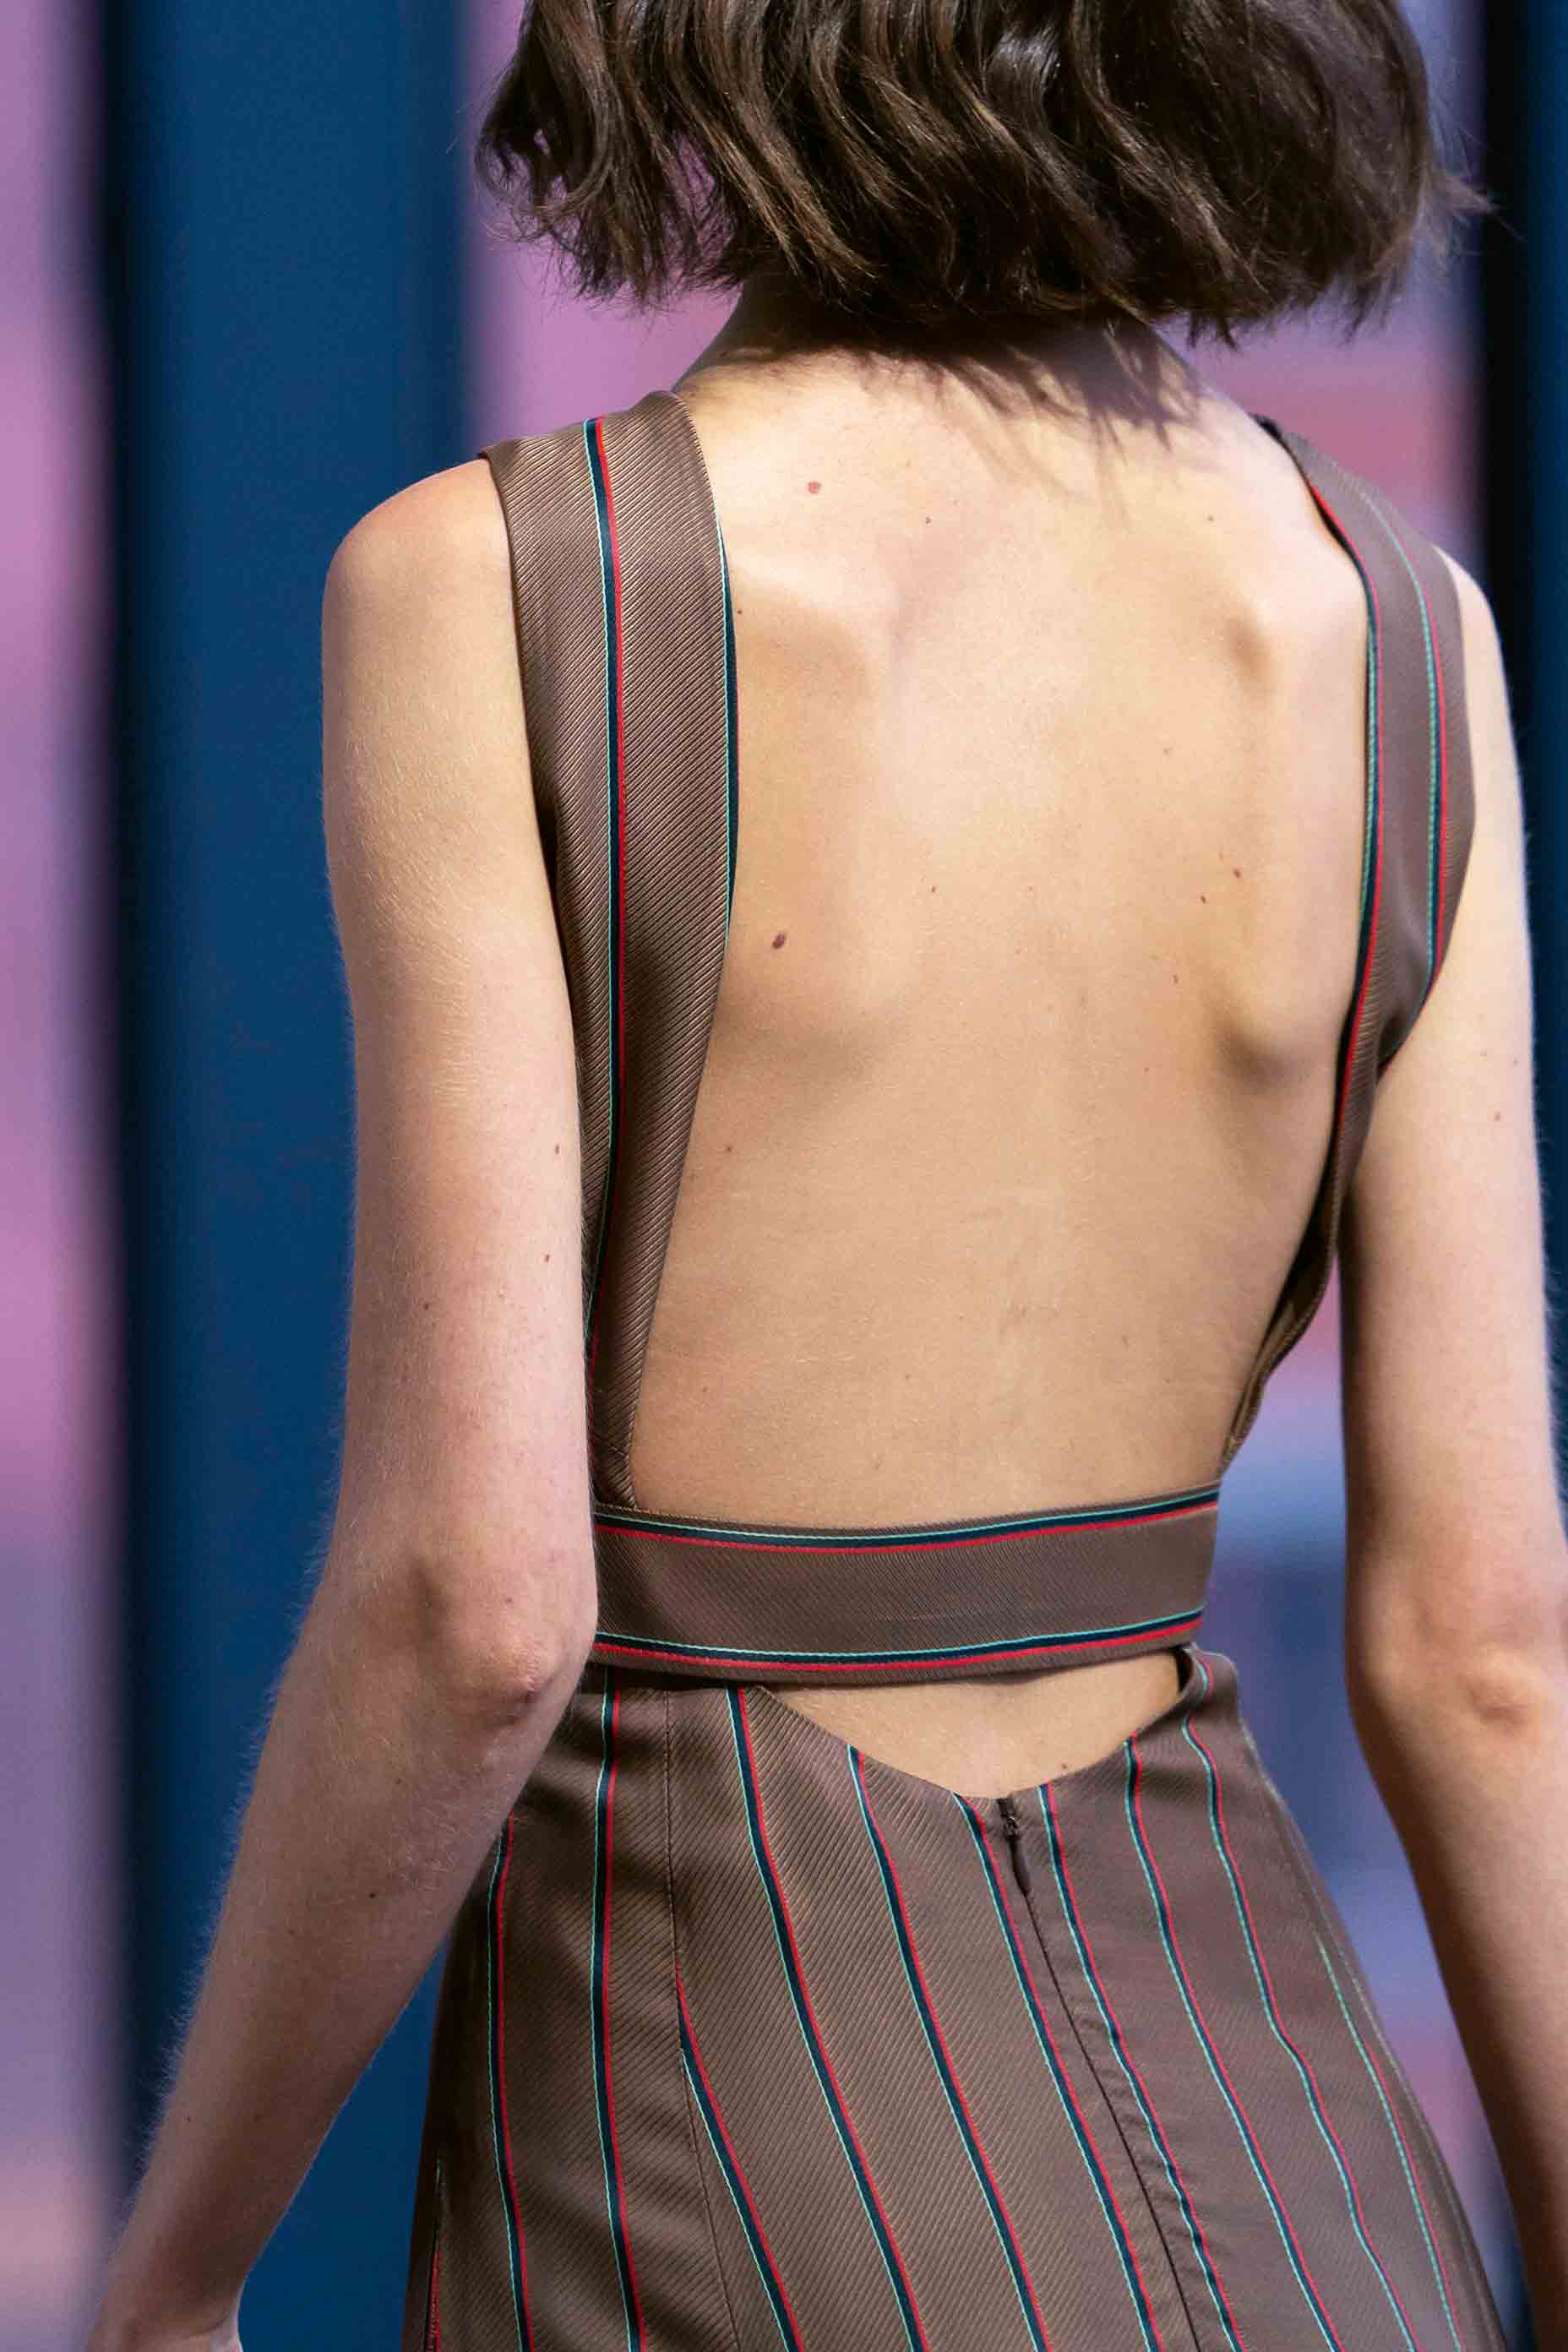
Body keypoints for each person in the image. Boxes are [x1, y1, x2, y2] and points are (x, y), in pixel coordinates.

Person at [89, 2, 1566, 2347]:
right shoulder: (1392, 628)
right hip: (1299, 2164)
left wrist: (175, 2277)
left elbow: (477, 1610)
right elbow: (1482, 1650)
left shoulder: (510, 589)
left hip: (723, 2108)